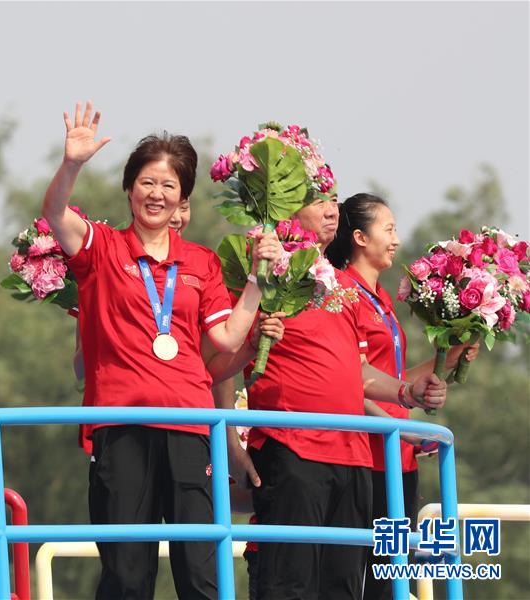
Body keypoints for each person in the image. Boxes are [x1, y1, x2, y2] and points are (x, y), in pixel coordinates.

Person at [42, 101, 282, 599]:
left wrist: (257, 283)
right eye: (147, 182)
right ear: (130, 188)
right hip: (122, 425)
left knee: (200, 571)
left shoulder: (200, 262)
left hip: (190, 427)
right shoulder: (102, 247)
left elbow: (226, 338)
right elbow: (55, 214)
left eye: (169, 185)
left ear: (182, 198)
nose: (157, 194)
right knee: (127, 574)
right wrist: (71, 165)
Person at [208, 192, 449, 599]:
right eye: (318, 200)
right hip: (293, 451)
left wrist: (407, 392)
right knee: (290, 586)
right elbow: (221, 359)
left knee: (343, 588)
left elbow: (357, 371)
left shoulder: (342, 284)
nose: (331, 210)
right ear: (287, 206)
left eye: (334, 199)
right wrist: (230, 447)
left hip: (353, 459)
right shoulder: (261, 271)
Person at [325, 193, 477, 599]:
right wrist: (398, 428)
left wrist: (451, 357)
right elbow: (348, 382)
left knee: (394, 580)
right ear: (359, 237)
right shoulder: (343, 293)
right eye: (388, 229)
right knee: (359, 580)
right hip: (367, 456)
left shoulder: (382, 299)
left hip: (399, 457)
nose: (396, 240)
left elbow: (392, 382)